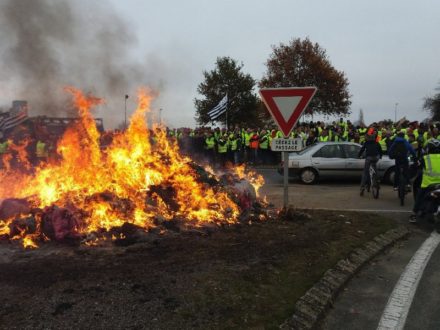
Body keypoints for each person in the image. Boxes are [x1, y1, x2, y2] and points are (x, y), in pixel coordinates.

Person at [410, 139, 440, 223]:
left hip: (428, 185)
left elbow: (415, 166)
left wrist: (408, 175)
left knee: (419, 197)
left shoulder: (425, 158)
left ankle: (414, 215)